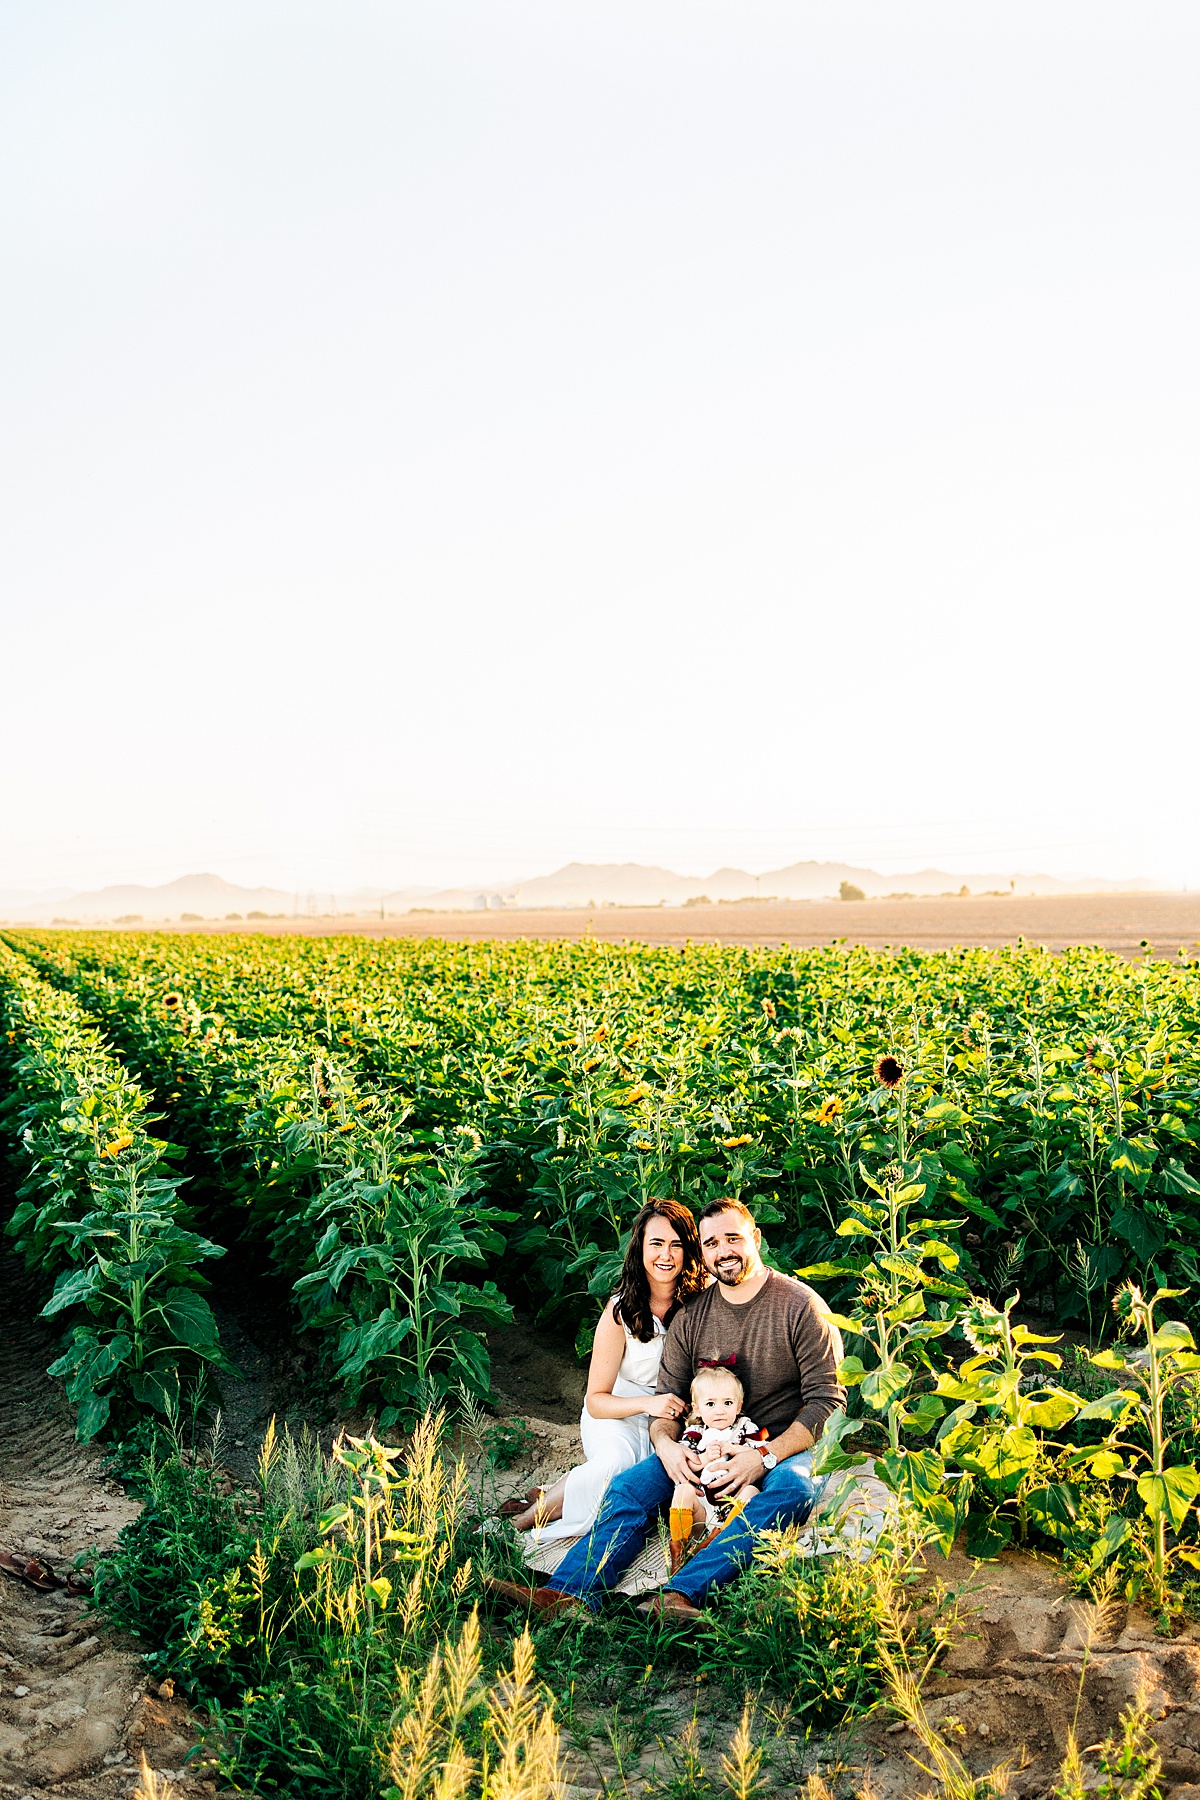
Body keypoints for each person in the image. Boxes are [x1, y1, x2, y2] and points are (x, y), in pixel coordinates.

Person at [486, 1196, 845, 1622]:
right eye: (711, 1243)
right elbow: (668, 1401)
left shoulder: (801, 1306)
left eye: (733, 1238)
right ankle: (568, 1594)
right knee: (629, 1487)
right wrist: (667, 1447)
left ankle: (679, 1595)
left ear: (757, 1238)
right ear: (704, 1252)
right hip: (707, 1439)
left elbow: (828, 1400)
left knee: (795, 1490)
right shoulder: (692, 1317)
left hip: (782, 1444)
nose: (723, 1251)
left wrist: (764, 1456)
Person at [498, 1199, 706, 1536]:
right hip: (618, 1414)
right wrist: (648, 1404)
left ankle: (552, 1494)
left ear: (688, 1250)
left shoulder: (704, 1299)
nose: (666, 1255)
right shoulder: (619, 1310)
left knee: (659, 1481)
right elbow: (596, 1399)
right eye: (656, 1244)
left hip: (674, 1420)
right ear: (640, 1248)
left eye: (676, 1245)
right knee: (616, 1465)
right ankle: (518, 1525)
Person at [669, 1363, 764, 1555]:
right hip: (703, 1505)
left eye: (727, 1403)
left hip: (734, 1501)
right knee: (682, 1491)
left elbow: (761, 1451)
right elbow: (685, 1465)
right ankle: (680, 1548)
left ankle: (717, 1539)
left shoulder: (745, 1427)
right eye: (710, 1404)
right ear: (697, 1409)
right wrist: (704, 1458)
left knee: (752, 1492)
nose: (719, 1411)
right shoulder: (695, 1433)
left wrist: (734, 1449)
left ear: (739, 1407)